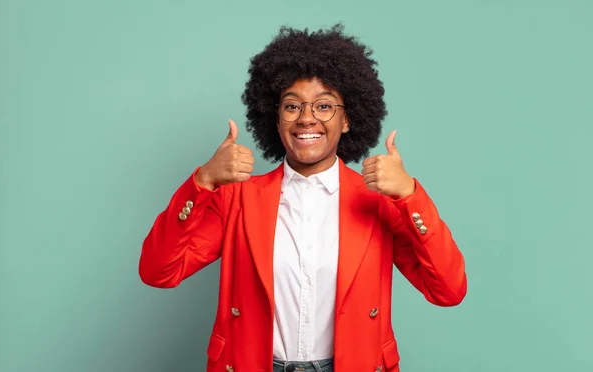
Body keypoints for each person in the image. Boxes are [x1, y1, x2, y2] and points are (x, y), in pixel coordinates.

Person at [138, 24, 467, 372]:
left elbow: (448, 290)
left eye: (324, 105)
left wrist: (410, 195)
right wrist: (203, 181)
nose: (307, 118)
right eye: (292, 106)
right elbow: (159, 271)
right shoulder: (237, 199)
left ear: (347, 119)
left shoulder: (380, 201)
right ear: (275, 118)